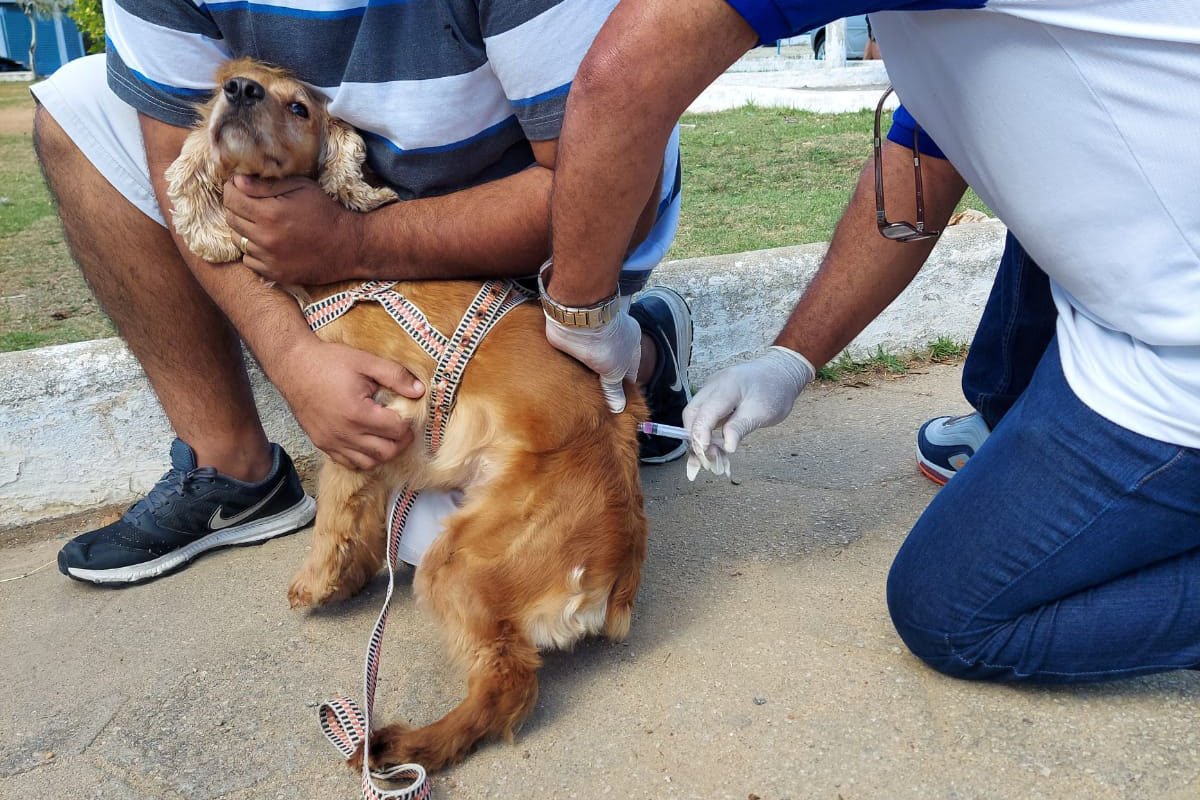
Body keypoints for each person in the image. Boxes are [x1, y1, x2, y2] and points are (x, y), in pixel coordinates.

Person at [543, 1, 1200, 683]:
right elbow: (929, 153)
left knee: (951, 609)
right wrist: (789, 359)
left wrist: (580, 316)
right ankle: (1017, 430)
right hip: (1153, 259)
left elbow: (629, 70)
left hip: (1177, 354)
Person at [36, 0, 691, 585]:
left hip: (537, 225)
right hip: (326, 230)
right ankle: (233, 469)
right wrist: (291, 357)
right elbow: (170, 152)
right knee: (80, 100)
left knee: (455, 554)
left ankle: (634, 361)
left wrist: (353, 245)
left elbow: (609, 192)